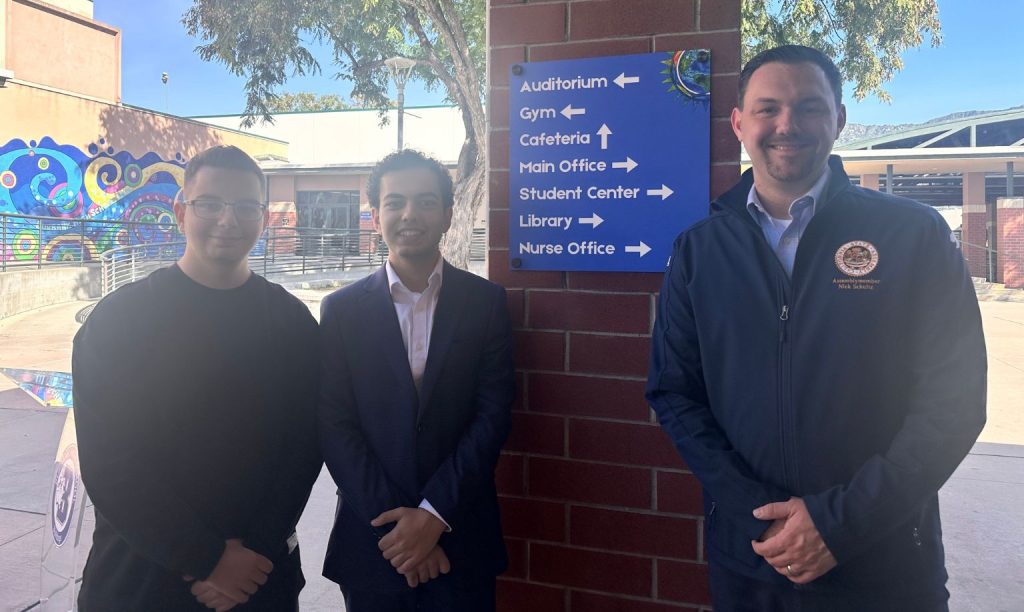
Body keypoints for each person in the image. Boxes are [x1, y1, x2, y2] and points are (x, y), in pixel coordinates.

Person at [646, 45, 986, 612]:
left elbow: (954, 403)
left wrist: (837, 524)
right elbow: (675, 394)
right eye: (767, 108)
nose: (787, 124)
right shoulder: (698, 251)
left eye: (808, 107)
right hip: (752, 559)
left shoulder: (913, 235)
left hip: (884, 560)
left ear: (839, 120)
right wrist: (763, 519)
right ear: (738, 123)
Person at [74, 145, 322, 611]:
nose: (228, 220)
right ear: (181, 211)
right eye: (210, 204)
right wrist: (207, 559)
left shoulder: (292, 323)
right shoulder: (119, 320)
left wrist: (253, 554)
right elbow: (109, 463)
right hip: (139, 581)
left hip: (258, 578)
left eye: (246, 206)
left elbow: (304, 451)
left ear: (264, 219)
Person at [318, 149, 514, 611]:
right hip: (374, 541)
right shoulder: (342, 310)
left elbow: (493, 415)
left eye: (426, 202)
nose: (410, 214)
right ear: (375, 214)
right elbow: (333, 423)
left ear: (448, 215)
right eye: (395, 202)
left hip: (460, 535)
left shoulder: (485, 303)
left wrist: (433, 516)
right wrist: (400, 529)